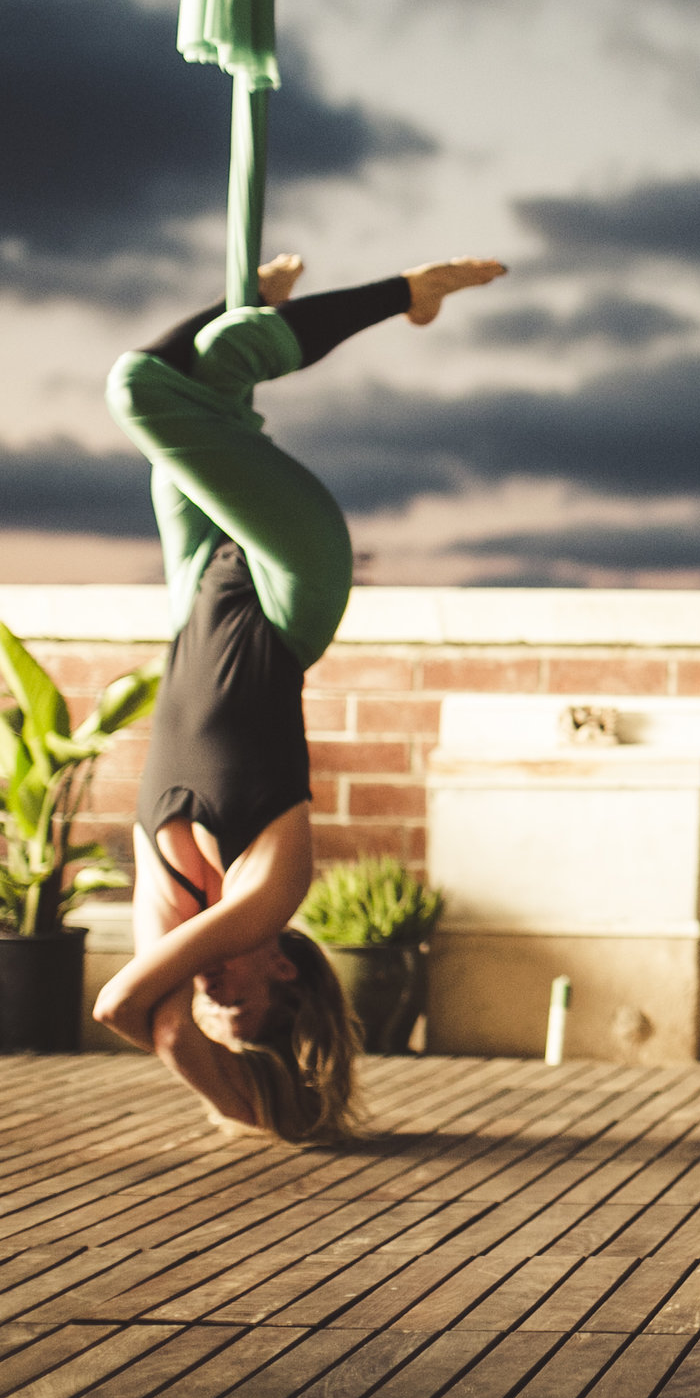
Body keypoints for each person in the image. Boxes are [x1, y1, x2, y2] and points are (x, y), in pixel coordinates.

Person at [92, 252, 504, 1141]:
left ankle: (260, 307)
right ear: (280, 969)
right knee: (139, 390)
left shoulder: (174, 898)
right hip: (289, 591)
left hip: (200, 589)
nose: (208, 994)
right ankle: (407, 293)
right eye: (236, 1001)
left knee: (211, 376)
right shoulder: (269, 890)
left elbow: (153, 1023)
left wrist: (227, 1078)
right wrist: (260, 1105)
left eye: (213, 1011)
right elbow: (126, 1003)